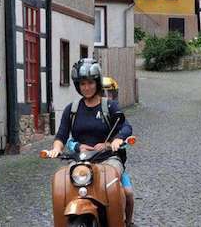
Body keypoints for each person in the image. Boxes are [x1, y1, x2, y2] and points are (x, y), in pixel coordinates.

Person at [43, 58, 134, 224]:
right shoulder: (72, 109)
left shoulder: (110, 106)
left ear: (97, 83)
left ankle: (124, 222)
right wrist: (56, 148)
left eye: (90, 83)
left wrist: (114, 141)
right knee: (62, 186)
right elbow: (61, 135)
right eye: (82, 84)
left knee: (125, 192)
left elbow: (126, 127)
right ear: (78, 85)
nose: (87, 87)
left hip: (108, 158)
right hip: (81, 160)